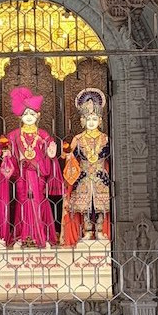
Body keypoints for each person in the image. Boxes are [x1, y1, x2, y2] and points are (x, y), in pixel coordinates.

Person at [0, 86, 63, 247]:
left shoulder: (43, 135)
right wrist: (4, 153)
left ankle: (42, 236)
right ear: (20, 116)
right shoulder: (14, 135)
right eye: (26, 114)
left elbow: (50, 152)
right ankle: (21, 236)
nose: (29, 117)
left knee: (39, 201)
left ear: (38, 115)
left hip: (39, 175)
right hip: (22, 175)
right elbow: (5, 151)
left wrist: (52, 155)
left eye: (32, 114)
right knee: (22, 202)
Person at [61, 88, 111, 246]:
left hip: (100, 175)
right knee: (85, 206)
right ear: (82, 120)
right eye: (88, 119)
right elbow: (66, 156)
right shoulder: (78, 138)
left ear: (100, 120)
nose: (91, 122)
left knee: (101, 205)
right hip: (83, 175)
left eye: (94, 118)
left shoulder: (105, 138)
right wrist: (67, 153)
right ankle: (87, 231)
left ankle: (101, 230)